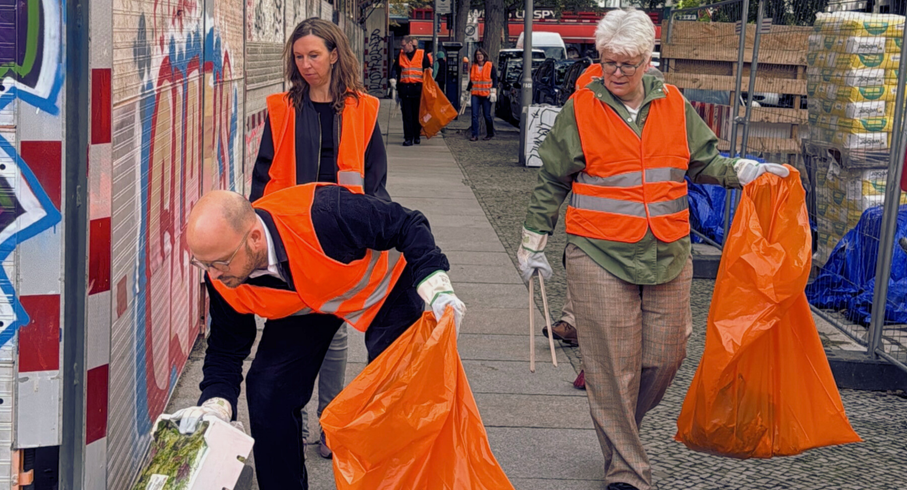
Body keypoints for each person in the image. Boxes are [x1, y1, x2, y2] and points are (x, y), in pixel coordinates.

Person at [517, 9, 789, 490]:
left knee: (666, 356)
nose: (615, 73)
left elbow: (702, 160)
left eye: (626, 64)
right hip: (598, 253)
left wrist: (743, 171)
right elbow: (551, 180)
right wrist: (532, 244)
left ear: (647, 61)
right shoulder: (581, 109)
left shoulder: (674, 104)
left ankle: (620, 428)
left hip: (667, 252)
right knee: (611, 365)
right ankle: (627, 471)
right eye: (607, 63)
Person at [168, 185, 466, 490]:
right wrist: (215, 405)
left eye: (219, 262)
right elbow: (225, 351)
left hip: (384, 292)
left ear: (255, 238)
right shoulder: (224, 276)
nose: (213, 275)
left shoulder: (324, 214)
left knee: (391, 401)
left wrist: (435, 280)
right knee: (268, 391)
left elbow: (407, 223)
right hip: (311, 303)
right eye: (203, 264)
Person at [248, 17, 390, 460]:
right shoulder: (283, 109)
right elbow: (263, 177)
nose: (306, 64)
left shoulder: (363, 108)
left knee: (335, 331)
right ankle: (295, 415)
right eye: (299, 57)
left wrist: (372, 231)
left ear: (334, 54)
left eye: (314, 55)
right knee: (288, 323)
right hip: (291, 236)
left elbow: (375, 181)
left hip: (341, 236)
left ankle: (330, 421)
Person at [389, 36, 431, 146]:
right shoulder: (400, 55)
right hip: (405, 88)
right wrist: (393, 79)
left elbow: (428, 71)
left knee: (417, 114)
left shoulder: (422, 54)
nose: (402, 47)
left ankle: (416, 136)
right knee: (407, 115)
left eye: (403, 45)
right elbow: (395, 69)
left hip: (418, 88)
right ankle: (408, 138)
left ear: (410, 43)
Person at [466, 48, 497, 141]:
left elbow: (495, 79)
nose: (479, 56)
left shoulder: (490, 66)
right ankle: (474, 135)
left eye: (481, 54)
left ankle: (490, 133)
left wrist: (493, 91)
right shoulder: (474, 66)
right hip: (475, 94)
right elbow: (472, 80)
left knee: (487, 115)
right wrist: (467, 91)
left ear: (484, 55)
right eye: (477, 55)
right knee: (474, 115)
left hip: (486, 94)